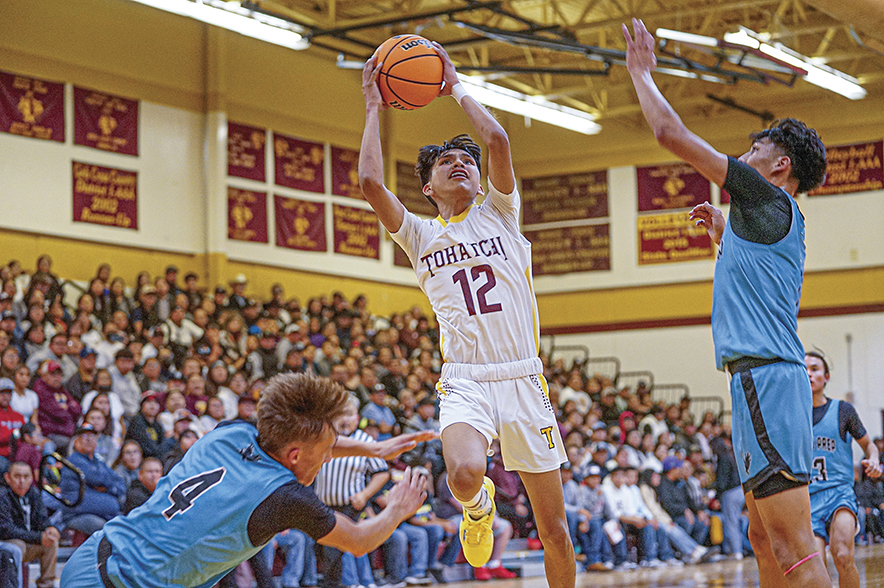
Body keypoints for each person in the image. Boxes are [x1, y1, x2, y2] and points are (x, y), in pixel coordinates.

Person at [623, 18, 830, 588]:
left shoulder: (764, 196)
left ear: (779, 165)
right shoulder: (763, 220)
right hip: (754, 381)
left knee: (793, 544)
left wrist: (642, 73)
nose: (745, 153)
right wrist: (722, 234)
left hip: (767, 378)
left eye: (756, 147)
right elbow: (754, 283)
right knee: (763, 538)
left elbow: (669, 133)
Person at [359, 43, 571, 588]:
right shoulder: (421, 234)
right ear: (427, 187)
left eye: (467, 161)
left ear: (481, 180)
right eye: (446, 162)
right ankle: (478, 507)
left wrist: (454, 85)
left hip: (523, 376)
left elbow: (496, 139)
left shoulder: (502, 213)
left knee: (555, 530)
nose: (461, 163)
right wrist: (372, 106)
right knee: (464, 472)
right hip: (465, 379)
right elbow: (369, 185)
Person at [60, 372, 433, 588]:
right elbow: (358, 540)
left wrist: (375, 451)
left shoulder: (232, 431)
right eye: (324, 454)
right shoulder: (285, 497)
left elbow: (301, 438)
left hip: (94, 554)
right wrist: (398, 508)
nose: (326, 459)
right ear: (295, 456)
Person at [806, 351, 881, 588]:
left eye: (815, 369)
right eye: (804, 369)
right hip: (806, 499)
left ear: (826, 376)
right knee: (815, 567)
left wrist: (874, 460)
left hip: (839, 493)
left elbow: (869, 445)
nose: (808, 373)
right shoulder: (793, 416)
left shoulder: (842, 410)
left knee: (842, 555)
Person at [0, 462, 60, 588]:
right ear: (7, 478)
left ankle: (46, 585)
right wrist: (38, 537)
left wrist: (50, 528)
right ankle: (13, 584)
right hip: (7, 543)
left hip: (29, 542)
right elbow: (6, 529)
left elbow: (42, 518)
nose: (22, 481)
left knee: (51, 543)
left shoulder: (33, 492)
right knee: (17, 546)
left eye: (26, 476)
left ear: (32, 478)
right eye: (17, 476)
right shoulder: (2, 495)